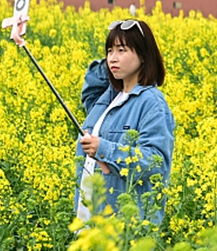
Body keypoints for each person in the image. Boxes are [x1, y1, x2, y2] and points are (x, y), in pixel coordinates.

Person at [75, 19, 175, 225]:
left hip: (125, 227)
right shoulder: (107, 97)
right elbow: (92, 84)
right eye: (109, 51)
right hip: (89, 219)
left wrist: (103, 149)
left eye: (122, 50)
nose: (113, 58)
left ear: (143, 55)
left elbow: (155, 163)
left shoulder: (152, 103)